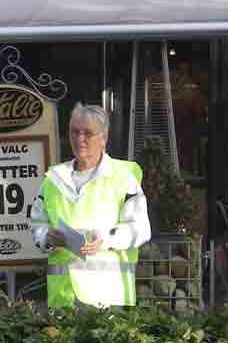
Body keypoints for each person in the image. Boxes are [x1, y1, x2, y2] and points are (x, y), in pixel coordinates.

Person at [30, 103, 151, 308]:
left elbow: (141, 229)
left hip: (108, 296)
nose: (80, 139)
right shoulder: (52, 179)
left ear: (103, 138)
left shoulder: (122, 177)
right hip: (63, 297)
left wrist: (104, 239)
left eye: (88, 133)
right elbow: (36, 224)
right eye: (74, 132)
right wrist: (47, 237)